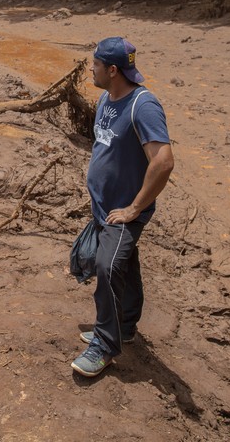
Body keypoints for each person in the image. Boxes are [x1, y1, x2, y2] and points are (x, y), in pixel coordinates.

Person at [72, 37, 175, 378]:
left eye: (96, 64)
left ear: (113, 70)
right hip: (104, 207)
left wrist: (133, 208)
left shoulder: (142, 106)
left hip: (123, 211)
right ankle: (125, 327)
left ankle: (104, 345)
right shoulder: (106, 98)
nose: (91, 68)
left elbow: (163, 162)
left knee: (108, 268)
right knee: (124, 263)